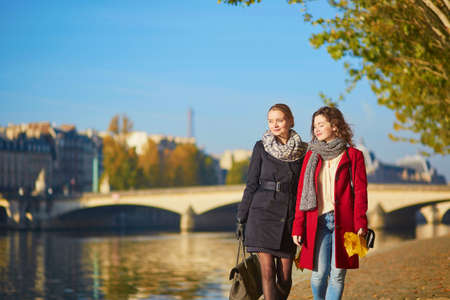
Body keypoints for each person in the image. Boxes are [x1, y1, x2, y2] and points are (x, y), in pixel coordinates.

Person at [291, 106, 368, 300]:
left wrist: (361, 222)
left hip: (345, 222)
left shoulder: (353, 156)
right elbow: (302, 192)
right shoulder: (311, 155)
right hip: (317, 223)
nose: (316, 129)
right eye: (314, 125)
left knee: (338, 275)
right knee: (318, 275)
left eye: (321, 124)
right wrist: (297, 227)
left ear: (334, 126)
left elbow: (360, 192)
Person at [236, 103, 308, 300]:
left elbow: (305, 188)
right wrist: (241, 217)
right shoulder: (260, 147)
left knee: (285, 278)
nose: (274, 125)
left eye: (279, 120)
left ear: (290, 121)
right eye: (270, 121)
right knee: (267, 273)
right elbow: (251, 184)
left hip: (288, 217)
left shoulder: (303, 151)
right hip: (261, 215)